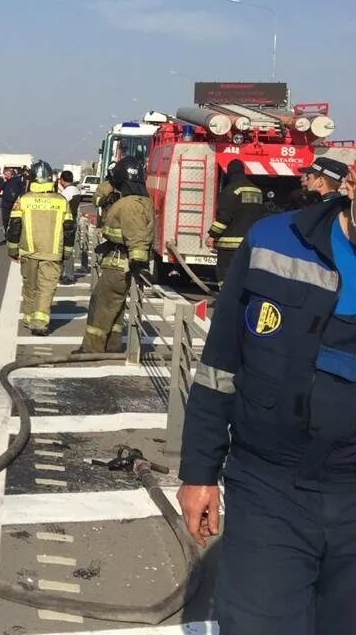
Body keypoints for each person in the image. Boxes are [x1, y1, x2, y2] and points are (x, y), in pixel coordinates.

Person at [178, 162, 356, 634]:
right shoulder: (273, 241)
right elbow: (220, 365)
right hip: (271, 487)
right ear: (353, 181)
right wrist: (199, 473)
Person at [77, 157, 153, 353]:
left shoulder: (129, 205)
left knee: (101, 304)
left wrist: (137, 262)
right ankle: (112, 345)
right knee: (115, 307)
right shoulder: (141, 201)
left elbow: (136, 236)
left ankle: (91, 349)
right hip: (121, 261)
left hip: (120, 265)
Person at [7, 161, 74, 335]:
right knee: (46, 288)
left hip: (28, 251)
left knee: (30, 286)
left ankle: (29, 318)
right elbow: (69, 229)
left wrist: (12, 249)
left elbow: (14, 225)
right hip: (52, 253)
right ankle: (40, 322)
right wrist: (67, 252)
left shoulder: (23, 199)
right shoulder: (61, 201)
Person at [207, 159, 266, 286]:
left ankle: (226, 302)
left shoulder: (231, 190)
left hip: (229, 247)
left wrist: (212, 235)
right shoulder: (257, 191)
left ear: (230, 172)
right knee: (244, 276)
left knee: (225, 276)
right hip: (250, 244)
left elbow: (224, 218)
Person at [57, 171, 83, 284]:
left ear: (62, 180)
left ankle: (68, 275)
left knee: (66, 249)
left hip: (67, 222)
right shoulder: (75, 189)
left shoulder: (67, 192)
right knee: (67, 248)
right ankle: (66, 273)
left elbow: (60, 206)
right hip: (72, 221)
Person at [0, 167, 26, 233]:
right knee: (5, 220)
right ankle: (6, 235)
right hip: (5, 203)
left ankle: (14, 236)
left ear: (11, 173)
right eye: (6, 173)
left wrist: (19, 198)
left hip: (15, 203)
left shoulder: (17, 179)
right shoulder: (3, 180)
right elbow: (0, 188)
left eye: (9, 172)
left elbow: (22, 189)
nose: (7, 174)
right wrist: (4, 181)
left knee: (15, 220)